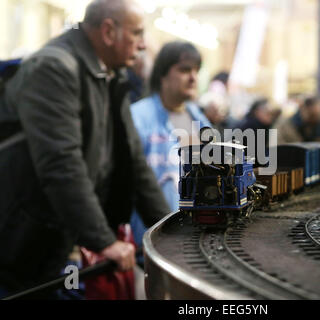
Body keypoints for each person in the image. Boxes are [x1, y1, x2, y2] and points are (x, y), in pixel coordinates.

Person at [0, 0, 170, 297]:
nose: (143, 44)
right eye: (136, 33)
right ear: (108, 32)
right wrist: (103, 241)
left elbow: (135, 164)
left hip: (54, 235)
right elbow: (61, 163)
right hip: (21, 241)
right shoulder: (54, 68)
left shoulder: (108, 75)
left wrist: (171, 231)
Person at [129, 41, 211, 251]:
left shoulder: (199, 121)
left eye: (196, 70)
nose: (193, 77)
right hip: (148, 241)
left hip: (192, 239)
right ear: (162, 75)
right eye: (184, 70)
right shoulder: (138, 117)